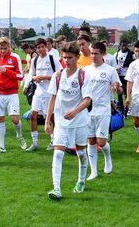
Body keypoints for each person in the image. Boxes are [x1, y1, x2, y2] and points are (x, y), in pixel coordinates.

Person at [45, 41, 92, 200]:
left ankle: (81, 181)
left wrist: (74, 111)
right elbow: (52, 99)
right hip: (61, 121)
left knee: (81, 153)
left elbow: (87, 100)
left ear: (77, 57)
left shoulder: (83, 75)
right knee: (58, 153)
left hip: (79, 120)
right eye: (64, 57)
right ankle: (56, 188)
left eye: (70, 57)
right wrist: (47, 121)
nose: (67, 60)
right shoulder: (57, 76)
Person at [85, 42, 122, 180]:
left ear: (102, 54)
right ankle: (93, 171)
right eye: (92, 53)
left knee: (101, 142)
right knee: (91, 141)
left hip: (103, 110)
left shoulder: (110, 70)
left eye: (96, 53)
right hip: (88, 111)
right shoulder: (85, 70)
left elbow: (119, 89)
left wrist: (117, 88)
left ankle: (107, 157)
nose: (93, 56)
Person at [0, 37, 26, 154]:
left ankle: (19, 135)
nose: (3, 51)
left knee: (14, 119)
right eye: (1, 48)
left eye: (5, 48)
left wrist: (7, 71)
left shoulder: (15, 58)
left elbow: (20, 76)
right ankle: (1, 146)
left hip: (12, 93)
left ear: (9, 47)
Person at [27, 38, 62, 152]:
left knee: (51, 117)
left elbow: (60, 74)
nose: (41, 49)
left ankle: (53, 140)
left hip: (51, 92)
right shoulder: (35, 60)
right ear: (36, 49)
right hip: (39, 91)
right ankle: (35, 143)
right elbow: (31, 75)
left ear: (46, 47)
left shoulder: (53, 59)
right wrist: (35, 78)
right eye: (38, 47)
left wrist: (45, 77)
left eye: (42, 46)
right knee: (32, 115)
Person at [115, 40, 135, 117]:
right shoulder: (116, 53)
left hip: (127, 77)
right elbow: (114, 64)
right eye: (123, 45)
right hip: (119, 76)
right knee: (119, 94)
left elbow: (134, 63)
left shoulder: (131, 54)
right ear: (120, 46)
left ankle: (126, 112)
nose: (124, 47)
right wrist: (117, 69)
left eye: (126, 45)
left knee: (127, 95)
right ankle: (121, 110)